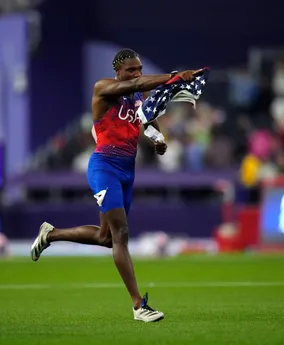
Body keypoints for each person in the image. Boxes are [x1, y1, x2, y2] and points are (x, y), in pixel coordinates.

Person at [30, 49, 201, 323]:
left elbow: (147, 120)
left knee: (106, 237)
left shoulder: (136, 98)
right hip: (104, 167)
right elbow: (135, 86)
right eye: (131, 70)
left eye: (139, 69)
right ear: (118, 72)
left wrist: (157, 139)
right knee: (121, 234)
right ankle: (138, 306)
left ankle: (50, 235)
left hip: (126, 171)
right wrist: (173, 78)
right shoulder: (104, 89)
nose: (136, 74)